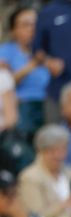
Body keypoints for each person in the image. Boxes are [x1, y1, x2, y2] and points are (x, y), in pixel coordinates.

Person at [0, 7, 50, 136]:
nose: (32, 29)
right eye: (25, 25)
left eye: (35, 24)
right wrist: (33, 64)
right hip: (22, 105)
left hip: (49, 104)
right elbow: (5, 84)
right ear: (13, 31)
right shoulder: (5, 52)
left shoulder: (49, 50)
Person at [17, 124, 71, 217]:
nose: (58, 155)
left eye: (62, 149)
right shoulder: (30, 178)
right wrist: (64, 205)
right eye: (52, 151)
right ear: (40, 151)